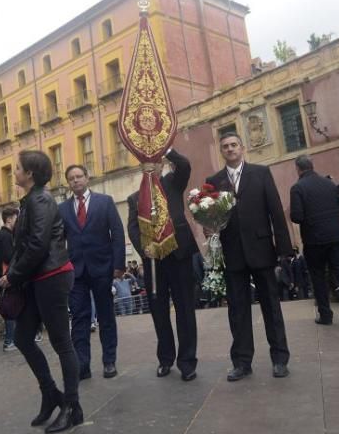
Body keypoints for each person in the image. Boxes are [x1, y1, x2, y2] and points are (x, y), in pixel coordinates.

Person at [0, 150, 81, 433]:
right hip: (37, 278)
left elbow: (38, 245)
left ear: (30, 174)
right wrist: (17, 274)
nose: (15, 172)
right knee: (22, 337)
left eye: (17, 168)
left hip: (52, 276)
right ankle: (50, 394)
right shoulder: (31, 201)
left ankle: (72, 406)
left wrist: (12, 276)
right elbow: (27, 246)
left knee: (62, 343)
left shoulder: (41, 200)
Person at [206, 134, 292, 381]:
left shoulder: (261, 173)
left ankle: (279, 359)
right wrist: (208, 227)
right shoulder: (213, 182)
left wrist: (283, 249)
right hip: (231, 253)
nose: (230, 149)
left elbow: (275, 210)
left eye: (234, 145)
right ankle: (242, 362)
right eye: (225, 147)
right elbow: (209, 217)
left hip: (262, 249)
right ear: (221, 152)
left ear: (242, 148)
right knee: (237, 310)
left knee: (271, 307)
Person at [127, 148, 199, 381]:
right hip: (154, 261)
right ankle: (165, 359)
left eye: (156, 163)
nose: (152, 167)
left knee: (185, 309)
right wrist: (142, 249)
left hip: (179, 254)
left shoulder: (173, 183)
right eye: (147, 164)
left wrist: (166, 147)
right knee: (159, 312)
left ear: (161, 165)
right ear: (142, 168)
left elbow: (185, 165)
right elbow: (133, 228)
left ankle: (187, 361)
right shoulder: (135, 198)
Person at [59, 163, 125, 380]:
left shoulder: (104, 202)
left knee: (106, 316)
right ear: (68, 183)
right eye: (71, 178)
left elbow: (116, 233)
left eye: (79, 176)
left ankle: (109, 361)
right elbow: (59, 242)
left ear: (87, 178)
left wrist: (118, 265)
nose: (75, 180)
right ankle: (82, 365)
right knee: (79, 318)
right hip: (75, 271)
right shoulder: (62, 209)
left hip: (102, 268)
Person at [289, 155, 339, 328]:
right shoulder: (329, 184)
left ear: (298, 169)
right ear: (312, 166)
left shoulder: (297, 188)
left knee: (318, 276)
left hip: (314, 240)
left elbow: (296, 216)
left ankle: (325, 315)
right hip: (335, 236)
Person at [0, 207, 19, 352]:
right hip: (4, 277)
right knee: (10, 307)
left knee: (11, 307)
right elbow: (9, 257)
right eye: (16, 219)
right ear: (9, 219)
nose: (18, 222)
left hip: (1, 276)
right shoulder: (5, 236)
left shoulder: (1, 235)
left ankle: (13, 339)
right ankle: (9, 341)